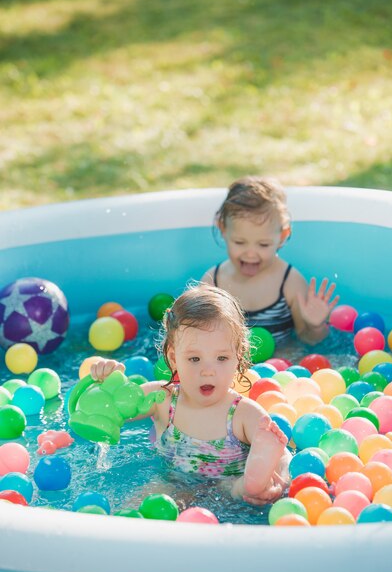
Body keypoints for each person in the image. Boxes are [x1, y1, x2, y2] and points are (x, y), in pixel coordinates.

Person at [90, 284, 291, 506]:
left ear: (238, 357)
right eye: (194, 359)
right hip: (173, 484)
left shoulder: (243, 414)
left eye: (221, 358)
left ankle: (255, 482)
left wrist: (280, 476)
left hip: (227, 491)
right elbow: (116, 405)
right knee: (142, 502)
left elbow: (282, 453)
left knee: (240, 489)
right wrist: (107, 383)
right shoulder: (162, 399)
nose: (207, 371)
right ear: (174, 358)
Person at [201, 176, 339, 347]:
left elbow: (307, 340)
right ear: (223, 230)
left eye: (263, 244)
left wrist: (315, 326)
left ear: (282, 236)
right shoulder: (212, 282)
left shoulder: (290, 282)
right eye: (239, 242)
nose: (251, 254)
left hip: (282, 368)